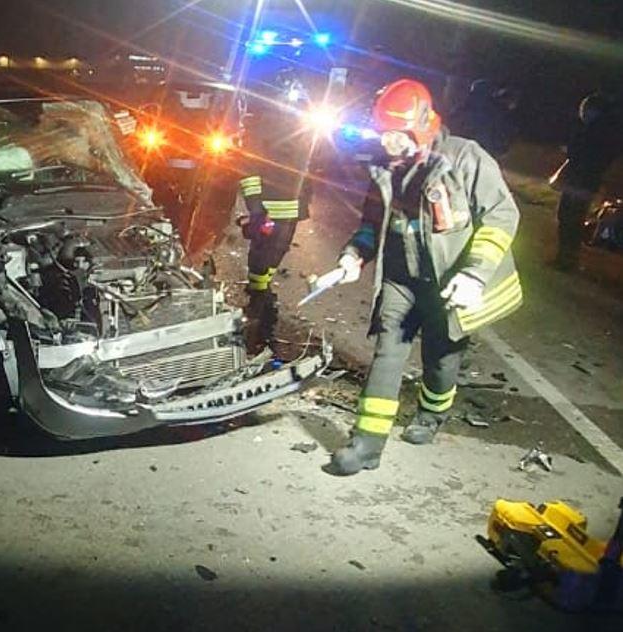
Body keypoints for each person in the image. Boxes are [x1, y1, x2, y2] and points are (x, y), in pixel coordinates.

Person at [326, 79, 523, 476]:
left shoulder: (467, 158)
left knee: (441, 359)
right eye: (383, 134)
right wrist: (353, 257)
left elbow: (503, 216)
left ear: (420, 126)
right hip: (401, 277)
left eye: (396, 135)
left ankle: (432, 415)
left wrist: (474, 275)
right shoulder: (384, 168)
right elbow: (371, 223)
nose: (388, 143)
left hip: (448, 281)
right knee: (387, 352)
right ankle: (366, 444)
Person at [236, 93, 315, 347]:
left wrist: (256, 209)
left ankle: (260, 299)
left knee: (265, 260)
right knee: (263, 260)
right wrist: (257, 209)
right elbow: (250, 171)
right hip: (273, 212)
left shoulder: (299, 132)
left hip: (279, 212)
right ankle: (259, 305)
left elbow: (309, 170)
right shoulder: (266, 130)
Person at [554, 92, 620, 271]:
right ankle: (569, 258)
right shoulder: (607, 132)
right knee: (575, 218)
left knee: (568, 217)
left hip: (579, 180)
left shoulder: (592, 131)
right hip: (589, 181)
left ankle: (566, 258)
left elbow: (577, 152)